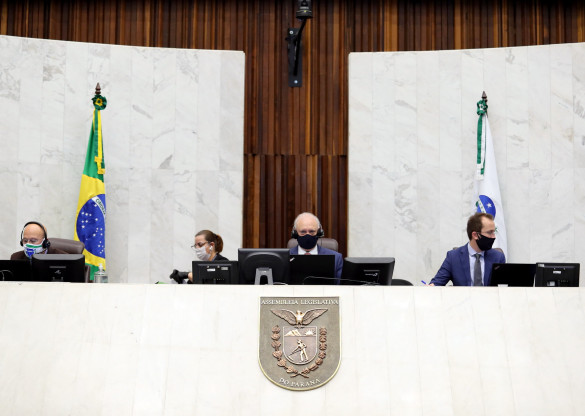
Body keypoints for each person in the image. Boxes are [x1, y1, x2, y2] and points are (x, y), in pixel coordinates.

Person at [429, 212, 506, 286]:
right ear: (475, 235)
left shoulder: (498, 257)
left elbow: (506, 288)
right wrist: (431, 287)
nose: (494, 237)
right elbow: (437, 283)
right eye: (490, 232)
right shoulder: (453, 257)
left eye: (494, 232)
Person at [289, 212, 343, 283]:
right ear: (295, 233)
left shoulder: (336, 258)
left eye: (312, 231)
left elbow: (340, 287)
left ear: (319, 232)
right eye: (303, 232)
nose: (307, 235)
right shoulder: (285, 258)